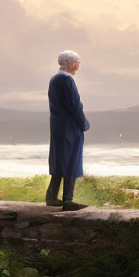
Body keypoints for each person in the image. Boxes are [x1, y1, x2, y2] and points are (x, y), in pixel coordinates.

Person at [46, 50, 90, 211]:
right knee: (71, 160)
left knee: (59, 159)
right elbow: (74, 105)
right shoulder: (66, 79)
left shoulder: (55, 79)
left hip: (57, 125)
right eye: (78, 63)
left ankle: (51, 197)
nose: (78, 66)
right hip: (69, 126)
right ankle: (68, 200)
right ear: (72, 63)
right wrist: (83, 124)